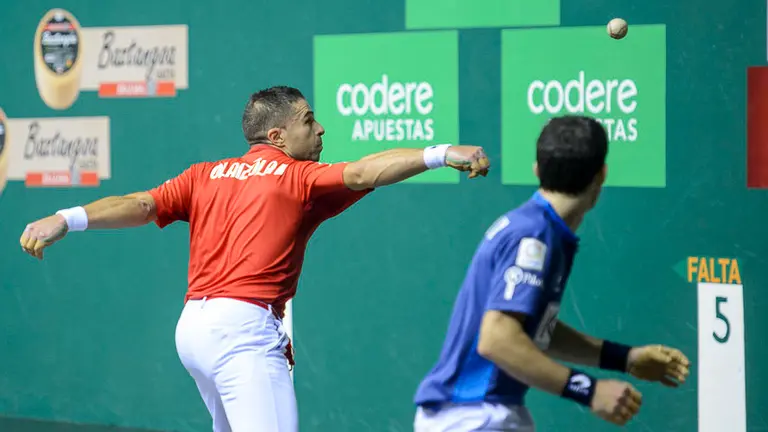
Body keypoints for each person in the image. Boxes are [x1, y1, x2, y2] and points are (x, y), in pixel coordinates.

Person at [18, 85, 491, 432]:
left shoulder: (205, 174)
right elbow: (368, 170)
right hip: (242, 332)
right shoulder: (300, 178)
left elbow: (142, 205)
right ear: (278, 134)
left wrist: (67, 215)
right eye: (309, 119)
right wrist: (440, 152)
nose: (321, 127)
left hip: (194, 331)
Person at [412, 115, 690, 431]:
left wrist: (624, 358)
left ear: (536, 170)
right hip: (475, 415)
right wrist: (589, 390)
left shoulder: (542, 229)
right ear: (602, 174)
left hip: (483, 412)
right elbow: (497, 338)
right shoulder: (533, 237)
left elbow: (530, 329)